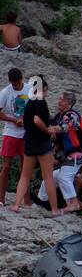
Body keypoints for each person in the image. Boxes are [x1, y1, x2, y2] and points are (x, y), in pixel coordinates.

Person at [12, 77, 61, 214]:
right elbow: (37, 120)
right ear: (42, 89)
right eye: (46, 89)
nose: (47, 92)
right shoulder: (41, 102)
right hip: (42, 143)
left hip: (29, 142)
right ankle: (55, 210)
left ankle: (16, 205)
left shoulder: (29, 103)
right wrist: (48, 130)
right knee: (48, 177)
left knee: (25, 176)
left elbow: (29, 119)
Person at [36, 91, 82, 213]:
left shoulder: (72, 116)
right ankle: (42, 202)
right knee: (49, 179)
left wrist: (45, 129)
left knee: (64, 177)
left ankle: (73, 203)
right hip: (65, 156)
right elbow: (51, 128)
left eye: (62, 100)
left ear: (68, 103)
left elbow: (61, 128)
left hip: (77, 154)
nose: (58, 101)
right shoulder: (59, 116)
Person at [0, 68, 28, 209]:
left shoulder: (30, 89)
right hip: (10, 132)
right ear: (10, 82)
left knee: (25, 167)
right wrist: (13, 120)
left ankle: (26, 199)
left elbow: (37, 108)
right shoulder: (5, 92)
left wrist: (26, 120)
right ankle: (1, 199)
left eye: (18, 84)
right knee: (6, 166)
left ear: (21, 79)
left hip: (26, 132)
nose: (16, 86)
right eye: (13, 84)